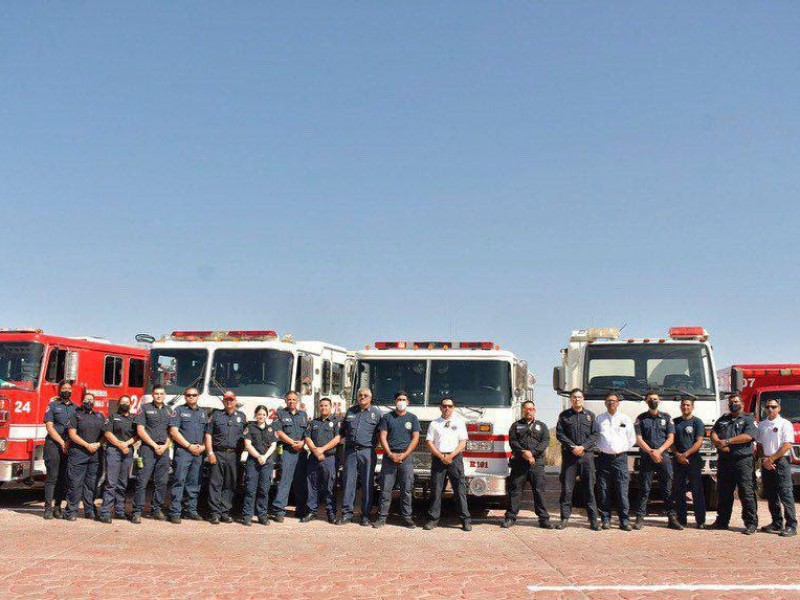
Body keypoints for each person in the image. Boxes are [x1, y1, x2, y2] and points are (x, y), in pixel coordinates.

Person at [710, 393, 759, 534]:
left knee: (746, 492)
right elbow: (714, 432)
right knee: (724, 492)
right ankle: (722, 521)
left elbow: (748, 436)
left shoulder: (748, 420)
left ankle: (751, 523)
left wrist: (728, 441)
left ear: (742, 404)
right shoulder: (723, 419)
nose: (733, 404)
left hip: (742, 461)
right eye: (731, 402)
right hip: (725, 460)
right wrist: (718, 443)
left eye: (736, 401)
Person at [633, 391, 681, 530]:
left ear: (659, 401)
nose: (652, 401)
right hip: (647, 457)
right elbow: (639, 439)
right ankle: (639, 519)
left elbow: (671, 438)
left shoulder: (667, 417)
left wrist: (658, 451)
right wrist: (651, 452)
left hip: (663, 457)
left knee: (667, 488)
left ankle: (672, 519)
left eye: (655, 399)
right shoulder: (641, 418)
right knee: (644, 488)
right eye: (650, 399)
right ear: (646, 401)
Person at [502, 400, 552, 529]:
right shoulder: (516, 426)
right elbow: (513, 441)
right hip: (519, 463)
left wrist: (532, 453)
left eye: (531, 409)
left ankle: (543, 519)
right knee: (515, 491)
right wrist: (523, 452)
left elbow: (545, 442)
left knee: (539, 491)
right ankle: (510, 518)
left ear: (534, 411)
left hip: (537, 464)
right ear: (523, 410)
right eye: (526, 409)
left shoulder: (542, 426)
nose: (529, 411)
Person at [423, 397, 471, 532]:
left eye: (449, 406)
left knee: (460, 490)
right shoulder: (434, 424)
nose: (447, 408)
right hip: (439, 458)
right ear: (440, 408)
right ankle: (433, 520)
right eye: (444, 406)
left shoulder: (460, 422)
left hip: (454, 458)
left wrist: (450, 456)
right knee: (436, 490)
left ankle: (465, 520)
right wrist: (441, 456)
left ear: (453, 408)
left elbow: (463, 442)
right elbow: (429, 442)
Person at [374, 391, 420, 529]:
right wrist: (389, 454)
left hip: (406, 458)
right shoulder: (387, 417)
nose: (401, 401)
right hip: (389, 458)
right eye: (399, 399)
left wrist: (405, 454)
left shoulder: (413, 418)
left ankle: (407, 518)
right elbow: (383, 436)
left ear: (408, 402)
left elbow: (416, 438)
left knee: (406, 489)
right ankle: (382, 517)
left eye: (404, 399)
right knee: (385, 489)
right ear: (395, 401)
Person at [555, 388, 600, 530]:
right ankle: (564, 519)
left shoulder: (590, 416)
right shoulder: (564, 415)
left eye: (579, 397)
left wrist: (583, 447)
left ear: (583, 399)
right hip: (570, 457)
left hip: (586, 457)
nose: (577, 399)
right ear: (571, 399)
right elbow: (560, 434)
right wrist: (573, 447)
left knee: (589, 489)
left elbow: (595, 434)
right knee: (567, 489)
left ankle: (593, 520)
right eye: (574, 397)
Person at [338, 388, 382, 526]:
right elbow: (343, 431)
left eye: (365, 395)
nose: (362, 397)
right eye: (360, 395)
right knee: (348, 483)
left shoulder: (376, 413)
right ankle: (346, 514)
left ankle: (365, 515)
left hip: (367, 452)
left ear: (370, 398)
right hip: (350, 452)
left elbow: (381, 434)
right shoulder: (351, 411)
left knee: (367, 484)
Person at [594, 393, 635, 531]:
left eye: (614, 401)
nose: (611, 403)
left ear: (618, 403)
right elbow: (595, 437)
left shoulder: (625, 419)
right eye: (608, 401)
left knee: (622, 489)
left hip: (620, 459)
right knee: (603, 489)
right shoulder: (599, 419)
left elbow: (632, 439)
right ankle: (605, 519)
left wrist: (620, 449)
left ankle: (624, 520)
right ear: (605, 403)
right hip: (604, 458)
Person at [132, 385, 172, 524]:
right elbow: (140, 430)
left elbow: (172, 432)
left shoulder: (169, 410)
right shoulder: (144, 408)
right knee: (142, 481)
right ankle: (137, 511)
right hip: (148, 449)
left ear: (165, 395)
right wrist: (155, 445)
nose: (159, 396)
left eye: (161, 393)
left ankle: (156, 509)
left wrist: (165, 446)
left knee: (161, 482)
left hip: (164, 450)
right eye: (156, 393)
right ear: (153, 395)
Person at [167, 387, 208, 524]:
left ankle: (191, 510)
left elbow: (207, 434)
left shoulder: (203, 413)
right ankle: (175, 512)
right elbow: (174, 432)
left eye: (194, 395)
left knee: (194, 483)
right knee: (179, 481)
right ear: (185, 397)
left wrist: (203, 446)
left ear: (197, 396)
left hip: (198, 452)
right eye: (189, 395)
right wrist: (189, 446)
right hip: (184, 451)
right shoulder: (178, 411)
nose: (191, 397)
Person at [205, 390, 247, 524]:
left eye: (231, 399)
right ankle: (214, 513)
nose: (229, 401)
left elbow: (245, 437)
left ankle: (225, 511)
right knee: (215, 483)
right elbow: (208, 435)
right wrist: (210, 452)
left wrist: (240, 454)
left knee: (230, 483)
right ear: (223, 401)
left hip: (234, 455)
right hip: (218, 453)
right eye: (226, 399)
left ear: (235, 401)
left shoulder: (242, 416)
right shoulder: (215, 415)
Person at [757, 398, 796, 537]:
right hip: (767, 461)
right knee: (771, 493)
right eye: (768, 407)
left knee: (785, 493)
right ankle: (776, 522)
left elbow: (787, 444)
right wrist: (765, 459)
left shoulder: (785, 424)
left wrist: (772, 459)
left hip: (781, 461)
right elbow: (760, 445)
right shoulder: (762, 425)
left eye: (773, 407)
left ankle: (791, 525)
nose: (770, 409)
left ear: (779, 408)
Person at [63, 393, 105, 521]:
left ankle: (89, 511)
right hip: (78, 454)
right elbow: (72, 434)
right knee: (75, 484)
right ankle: (71, 512)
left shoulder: (100, 416)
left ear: (94, 402)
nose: (89, 401)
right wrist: (87, 445)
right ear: (82, 401)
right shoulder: (75, 415)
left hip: (95, 456)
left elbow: (106, 434)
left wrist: (98, 444)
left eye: (91, 399)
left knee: (91, 485)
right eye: (87, 399)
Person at [270, 391, 309, 522]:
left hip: (301, 453)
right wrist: (292, 442)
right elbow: (279, 432)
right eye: (289, 399)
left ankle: (301, 510)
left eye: (294, 399)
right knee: (284, 481)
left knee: (300, 482)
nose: (291, 401)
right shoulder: (280, 414)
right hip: (287, 451)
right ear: (286, 400)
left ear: (297, 401)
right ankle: (279, 511)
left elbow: (307, 433)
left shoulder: (303, 415)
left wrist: (303, 442)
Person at [99, 395, 138, 523]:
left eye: (127, 402)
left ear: (130, 404)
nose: (125, 404)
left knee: (122, 483)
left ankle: (120, 511)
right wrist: (120, 444)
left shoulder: (134, 419)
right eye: (122, 402)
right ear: (118, 404)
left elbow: (138, 435)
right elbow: (108, 433)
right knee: (111, 483)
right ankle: (105, 512)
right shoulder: (112, 417)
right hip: (114, 451)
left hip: (127, 451)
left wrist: (126, 445)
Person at [302, 398, 341, 524]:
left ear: (331, 407)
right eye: (321, 406)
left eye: (326, 405)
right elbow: (307, 437)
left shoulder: (336, 422)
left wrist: (322, 450)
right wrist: (315, 450)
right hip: (314, 459)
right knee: (312, 486)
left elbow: (337, 438)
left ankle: (331, 513)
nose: (323, 408)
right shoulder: (313, 422)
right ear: (319, 407)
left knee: (329, 487)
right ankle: (311, 512)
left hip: (328, 459)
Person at [42, 381, 77, 519]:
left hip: (69, 445)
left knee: (63, 478)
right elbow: (49, 427)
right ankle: (47, 509)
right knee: (52, 477)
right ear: (59, 390)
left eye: (69, 388)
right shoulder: (52, 406)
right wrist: (62, 442)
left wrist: (69, 442)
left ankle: (57, 508)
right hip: (54, 445)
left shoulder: (76, 408)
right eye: (64, 388)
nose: (67, 390)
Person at [671, 397, 707, 529]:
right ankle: (682, 519)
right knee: (679, 490)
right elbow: (671, 441)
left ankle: (701, 520)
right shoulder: (675, 422)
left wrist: (685, 454)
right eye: (683, 405)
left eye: (688, 405)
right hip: (678, 460)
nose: (685, 407)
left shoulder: (697, 422)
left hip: (693, 460)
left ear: (692, 407)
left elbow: (699, 442)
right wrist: (678, 455)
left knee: (697, 490)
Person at [242, 405, 278, 526]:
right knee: (250, 490)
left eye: (263, 414)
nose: (261, 416)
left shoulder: (271, 429)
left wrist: (264, 457)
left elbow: (273, 445)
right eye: (259, 414)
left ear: (267, 416)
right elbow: (248, 445)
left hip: (266, 462)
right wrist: (258, 456)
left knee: (264, 490)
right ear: (255, 415)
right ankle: (247, 516)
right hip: (253, 462)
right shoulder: (250, 428)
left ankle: (262, 515)